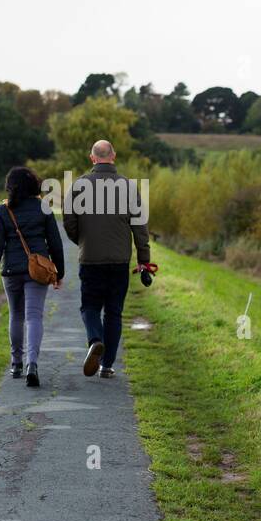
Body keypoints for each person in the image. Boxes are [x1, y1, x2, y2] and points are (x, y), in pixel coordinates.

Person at [62, 140, 151, 378]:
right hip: (120, 261)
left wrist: (83, 242)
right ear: (114, 156)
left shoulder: (79, 186)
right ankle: (107, 365)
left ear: (92, 158)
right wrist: (144, 260)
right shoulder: (129, 187)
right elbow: (140, 228)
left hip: (90, 259)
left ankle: (95, 339)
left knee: (89, 306)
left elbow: (69, 223)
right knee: (114, 312)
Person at [0, 166, 64, 387]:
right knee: (34, 316)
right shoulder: (43, 208)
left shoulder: (2, 211)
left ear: (10, 187)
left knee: (16, 316)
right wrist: (59, 273)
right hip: (37, 270)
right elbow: (55, 243)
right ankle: (32, 364)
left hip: (11, 272)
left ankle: (16, 363)